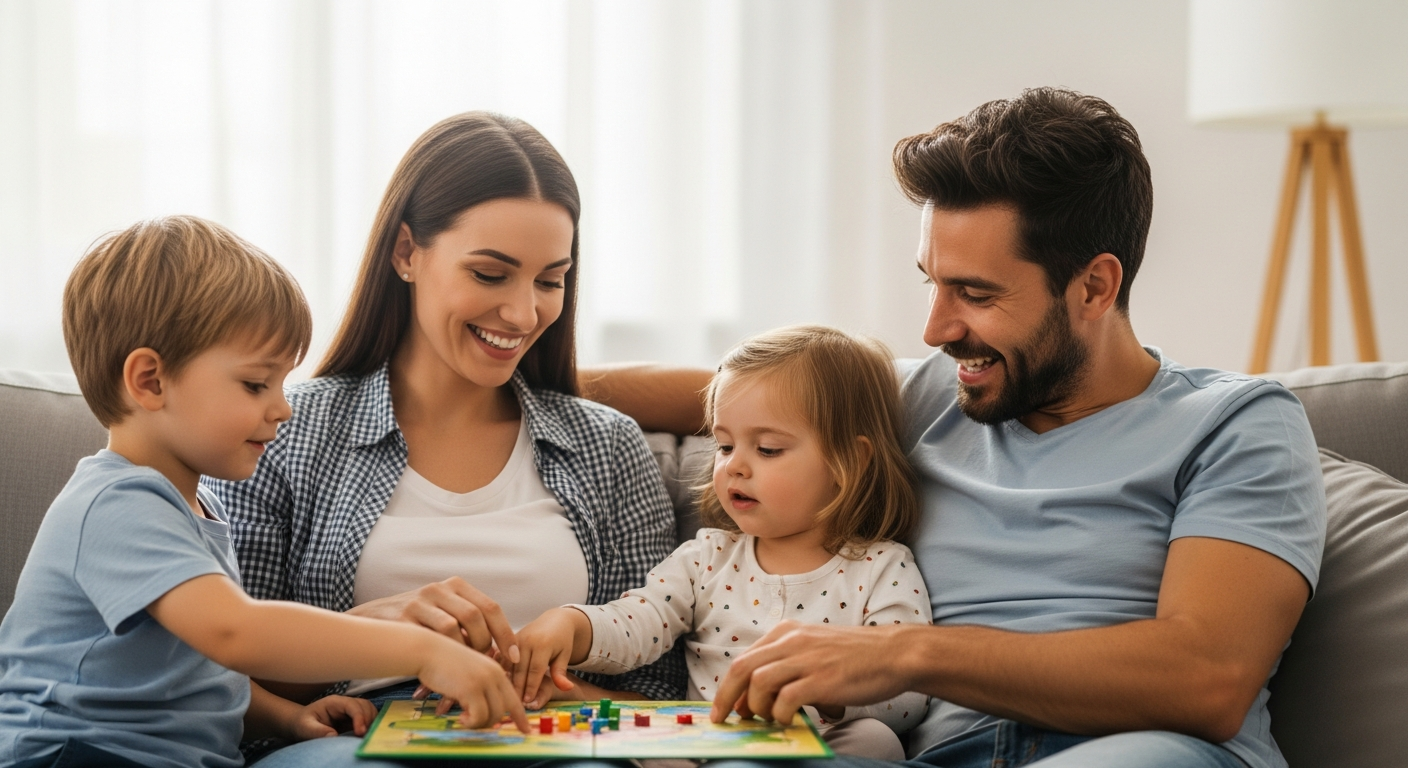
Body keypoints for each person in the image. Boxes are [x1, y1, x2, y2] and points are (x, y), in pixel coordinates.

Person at [591, 88, 1326, 768]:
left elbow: (1207, 679)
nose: (938, 327)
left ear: (1095, 287)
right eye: (931, 282)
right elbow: (735, 396)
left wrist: (908, 653)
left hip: (1142, 752)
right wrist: (519, 375)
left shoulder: (1237, 425)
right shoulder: (937, 396)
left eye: (974, 293)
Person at [204, 113, 684, 764]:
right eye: (490, 275)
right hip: (353, 740)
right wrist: (374, 636)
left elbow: (658, 693)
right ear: (406, 253)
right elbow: (219, 678)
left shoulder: (608, 448)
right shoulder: (286, 429)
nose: (523, 313)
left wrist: (530, 685)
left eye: (550, 280)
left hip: (557, 736)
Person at [0, 216, 529, 768]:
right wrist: (423, 650)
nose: (283, 407)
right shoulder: (117, 504)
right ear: (150, 381)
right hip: (76, 756)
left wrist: (286, 717)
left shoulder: (196, 506)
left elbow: (193, 674)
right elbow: (237, 632)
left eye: (281, 384)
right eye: (256, 384)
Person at [512, 326, 931, 760]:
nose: (734, 466)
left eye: (767, 449)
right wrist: (572, 626)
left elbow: (909, 696)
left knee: (876, 740)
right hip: (705, 746)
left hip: (817, 746)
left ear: (850, 461)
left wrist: (832, 692)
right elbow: (636, 622)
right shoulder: (706, 558)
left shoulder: (883, 566)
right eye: (725, 445)